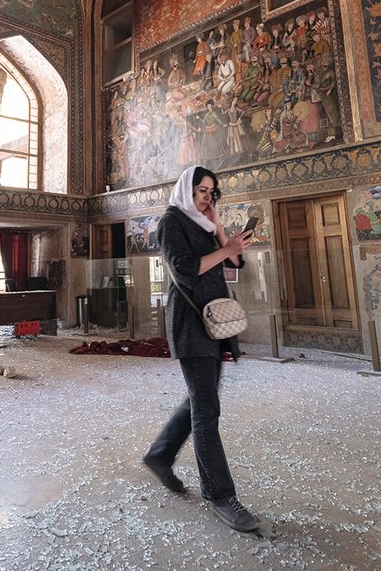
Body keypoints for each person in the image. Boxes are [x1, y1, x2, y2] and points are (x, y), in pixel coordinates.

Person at [142, 165, 258, 532]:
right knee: (206, 408)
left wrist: (220, 227)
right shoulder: (171, 222)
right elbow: (186, 269)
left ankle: (160, 456)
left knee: (200, 400)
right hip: (191, 324)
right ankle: (221, 496)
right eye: (201, 190)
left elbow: (236, 261)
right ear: (185, 189)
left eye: (212, 191)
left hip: (215, 322)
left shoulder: (204, 224)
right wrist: (225, 249)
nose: (207, 196)